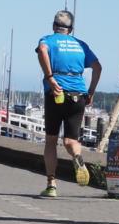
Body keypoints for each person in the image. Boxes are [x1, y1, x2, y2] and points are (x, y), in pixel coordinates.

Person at [36, 10, 101, 197]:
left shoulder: (48, 39)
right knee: (71, 140)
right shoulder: (81, 45)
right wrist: (91, 92)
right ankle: (77, 156)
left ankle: (51, 184)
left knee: (51, 141)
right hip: (78, 94)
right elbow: (98, 67)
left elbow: (42, 50)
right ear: (70, 29)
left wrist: (50, 77)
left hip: (56, 93)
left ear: (53, 26)